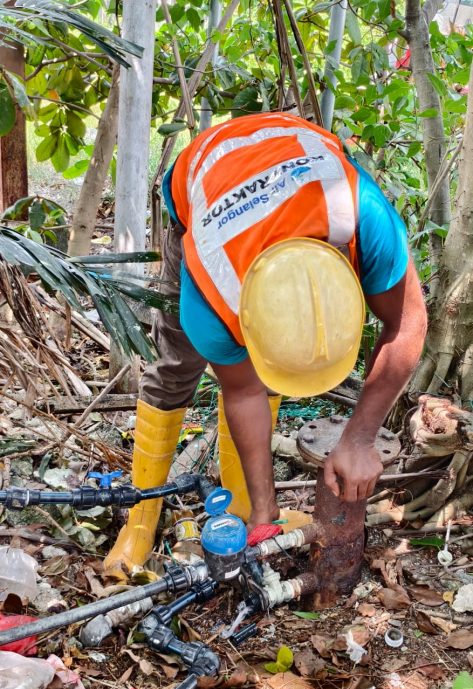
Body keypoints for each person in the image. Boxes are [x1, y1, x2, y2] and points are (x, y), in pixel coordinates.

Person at [104, 111, 427, 577]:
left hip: (290, 162)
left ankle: (243, 506)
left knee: (269, 369)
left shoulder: (364, 219)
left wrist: (359, 440)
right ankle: (142, 514)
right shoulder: (215, 288)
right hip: (205, 183)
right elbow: (243, 389)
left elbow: (409, 323)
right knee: (176, 368)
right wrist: (267, 505)